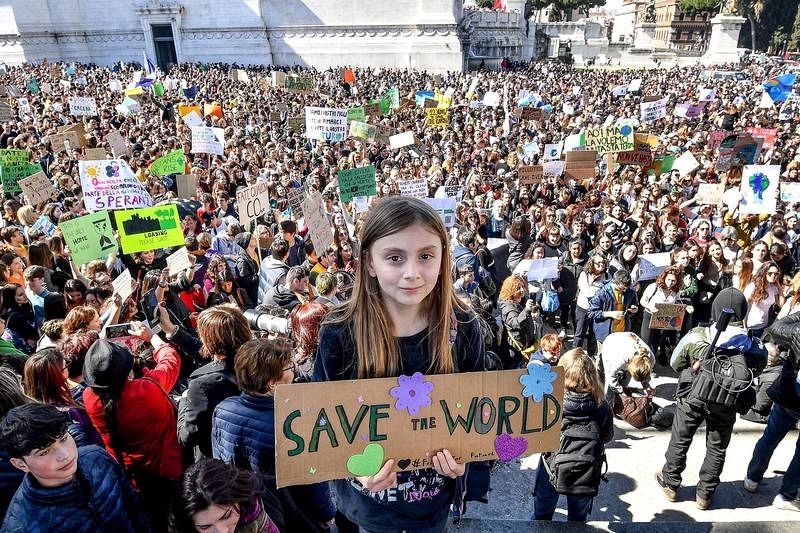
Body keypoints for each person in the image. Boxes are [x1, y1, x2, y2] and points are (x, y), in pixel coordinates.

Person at [313, 196, 488, 532]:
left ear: (442, 258)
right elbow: (321, 427)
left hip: (434, 507)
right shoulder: (339, 333)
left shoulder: (463, 326)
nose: (412, 273)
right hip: (367, 510)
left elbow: (480, 414)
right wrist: (354, 467)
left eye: (426, 256)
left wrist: (469, 456)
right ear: (369, 263)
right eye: (395, 257)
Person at [657, 288, 768, 510]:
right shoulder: (751, 344)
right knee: (717, 448)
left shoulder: (697, 335)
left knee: (680, 439)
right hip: (727, 400)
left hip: (693, 397)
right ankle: (705, 495)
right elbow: (759, 365)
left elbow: (675, 363)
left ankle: (670, 484)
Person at [211, 338, 335, 526]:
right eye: (288, 367)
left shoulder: (222, 409)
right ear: (272, 383)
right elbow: (312, 482)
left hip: (246, 512)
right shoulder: (292, 424)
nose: (293, 369)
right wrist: (327, 515)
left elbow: (219, 459)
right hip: (291, 516)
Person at [82, 323, 183, 530]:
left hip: (133, 479)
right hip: (168, 473)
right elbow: (170, 360)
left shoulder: (90, 399)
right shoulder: (147, 389)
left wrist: (102, 349)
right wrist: (151, 337)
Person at [0, 403, 149, 532]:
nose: (64, 454)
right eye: (44, 451)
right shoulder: (21, 525)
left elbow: (135, 510)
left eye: (63, 438)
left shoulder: (97, 459)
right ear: (20, 464)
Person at [533, 348, 613, 522]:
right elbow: (607, 437)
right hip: (587, 469)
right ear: (593, 375)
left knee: (541, 515)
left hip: (551, 465)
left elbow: (537, 436)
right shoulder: (602, 405)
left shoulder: (550, 401)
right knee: (578, 519)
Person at [178, 305, 251, 460]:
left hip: (217, 465)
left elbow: (187, 437)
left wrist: (184, 400)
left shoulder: (203, 385)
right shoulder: (257, 365)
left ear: (208, 339)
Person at [744, 313, 800, 511]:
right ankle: (785, 494)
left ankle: (754, 478)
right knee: (772, 437)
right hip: (789, 391)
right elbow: (777, 328)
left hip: (788, 392)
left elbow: (778, 327)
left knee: (771, 436)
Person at [170, 458, 294, 533]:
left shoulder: (253, 513)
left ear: (238, 499)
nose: (222, 531)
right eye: (205, 527)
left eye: (226, 515)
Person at [586, 269, 639, 359]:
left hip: (622, 331)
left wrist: (634, 309)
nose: (624, 290)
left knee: (618, 357)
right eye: (622, 288)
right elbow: (590, 312)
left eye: (626, 288)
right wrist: (610, 314)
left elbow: (633, 304)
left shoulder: (629, 291)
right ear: (614, 282)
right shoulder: (602, 293)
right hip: (605, 334)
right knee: (603, 358)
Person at [499, 275, 541, 369]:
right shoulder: (507, 307)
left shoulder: (520, 300)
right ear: (511, 290)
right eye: (518, 288)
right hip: (515, 349)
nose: (522, 290)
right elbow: (516, 323)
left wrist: (533, 309)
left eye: (523, 286)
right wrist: (526, 310)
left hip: (525, 344)